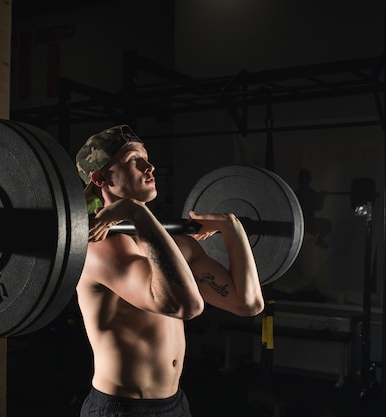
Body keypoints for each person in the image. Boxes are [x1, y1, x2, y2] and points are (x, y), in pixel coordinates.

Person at [75, 125, 264, 417]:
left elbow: (248, 303)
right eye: (132, 160)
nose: (149, 166)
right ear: (101, 178)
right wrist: (137, 213)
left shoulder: (177, 244)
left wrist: (232, 228)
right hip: (123, 408)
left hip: (175, 404)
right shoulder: (100, 249)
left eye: (147, 158)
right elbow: (184, 305)